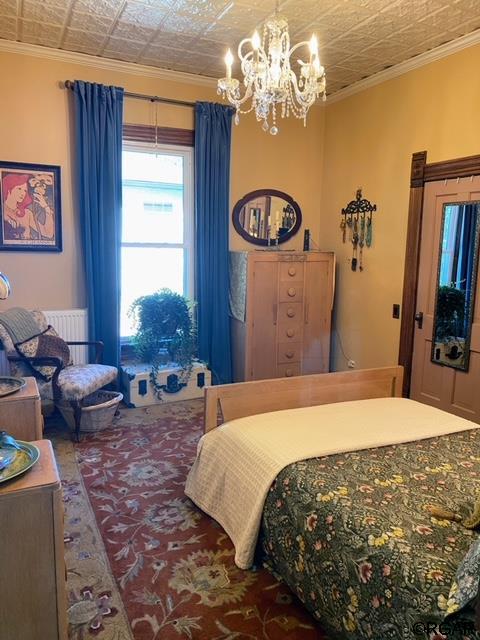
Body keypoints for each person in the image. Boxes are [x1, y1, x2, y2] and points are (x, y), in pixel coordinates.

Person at [2, 172, 54, 241]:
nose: (23, 193)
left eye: (25, 190)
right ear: (9, 188)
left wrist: (46, 207)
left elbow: (48, 234)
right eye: (19, 189)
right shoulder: (2, 212)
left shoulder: (27, 213)